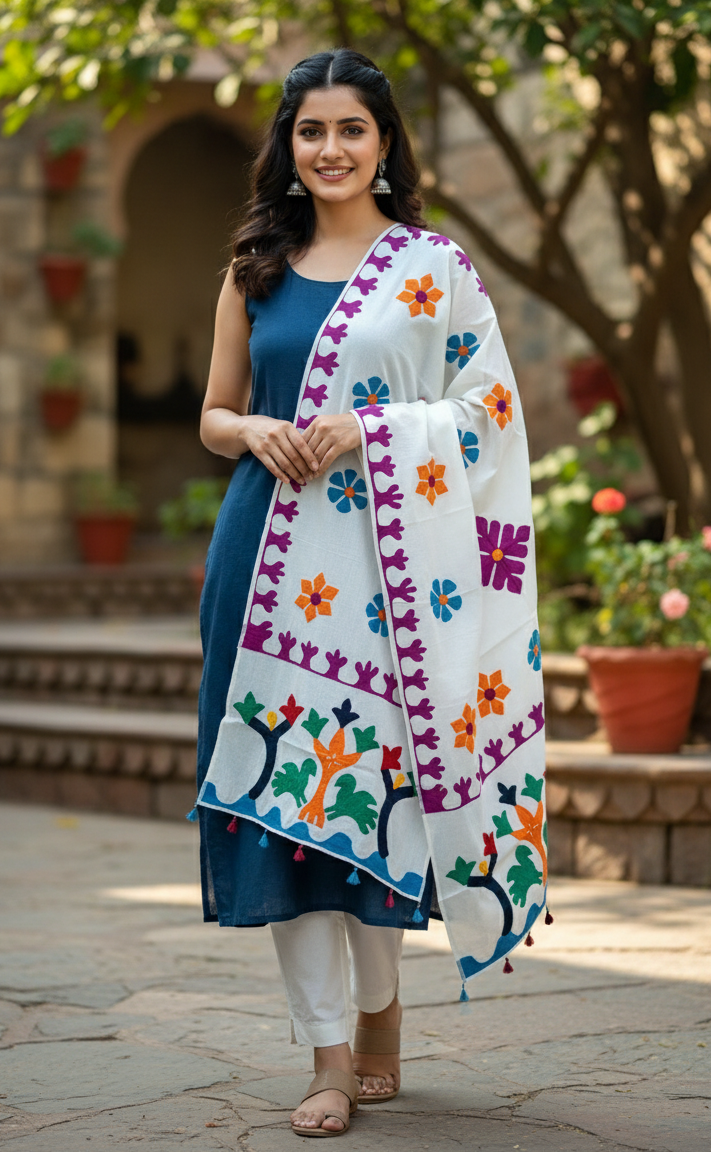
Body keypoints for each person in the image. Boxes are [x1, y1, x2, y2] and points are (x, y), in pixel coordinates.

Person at [196, 48, 546, 1138]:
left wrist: (380, 428)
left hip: (396, 579)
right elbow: (214, 412)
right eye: (311, 131)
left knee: (365, 793)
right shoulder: (256, 263)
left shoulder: (433, 270)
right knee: (283, 808)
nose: (331, 149)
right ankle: (328, 1058)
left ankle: (384, 1004)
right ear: (287, 148)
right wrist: (256, 426)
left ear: (385, 142)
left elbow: (488, 411)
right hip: (265, 568)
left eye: (352, 129)